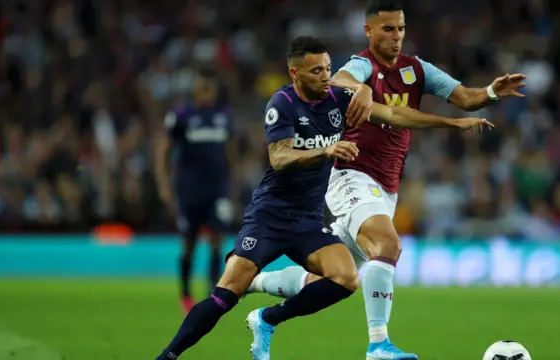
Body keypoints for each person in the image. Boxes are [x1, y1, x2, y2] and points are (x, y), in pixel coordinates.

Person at [154, 35, 492, 360]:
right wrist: (325, 149)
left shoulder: (338, 100)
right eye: (316, 71)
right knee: (225, 295)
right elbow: (280, 158)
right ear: (295, 74)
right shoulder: (282, 103)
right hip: (269, 218)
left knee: (346, 279)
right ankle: (168, 355)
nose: (326, 76)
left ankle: (269, 317)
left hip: (308, 221)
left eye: (328, 67)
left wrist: (452, 123)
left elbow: (393, 115)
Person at [247, 1, 526, 358]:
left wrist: (489, 92)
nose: (396, 37)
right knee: (389, 246)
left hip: (384, 190)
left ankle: (257, 288)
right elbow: (339, 80)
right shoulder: (362, 64)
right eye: (388, 29)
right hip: (351, 176)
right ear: (369, 31)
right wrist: (361, 89)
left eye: (401, 29)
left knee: (332, 279)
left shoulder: (417, 69)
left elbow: (464, 98)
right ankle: (378, 344)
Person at [154, 68, 234, 313]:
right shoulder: (181, 116)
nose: (206, 94)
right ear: (195, 91)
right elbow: (163, 151)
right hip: (189, 190)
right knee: (188, 241)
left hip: (216, 189)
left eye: (210, 90)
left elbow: (229, 153)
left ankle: (212, 292)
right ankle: (186, 294)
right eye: (202, 89)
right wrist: (164, 184)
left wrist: (232, 184)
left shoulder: (223, 116)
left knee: (216, 240)